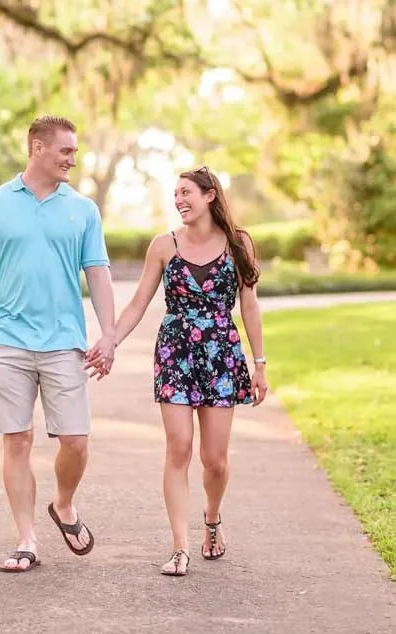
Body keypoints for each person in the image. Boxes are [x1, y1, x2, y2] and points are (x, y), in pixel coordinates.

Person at [0, 115, 117, 573]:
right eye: (65, 151)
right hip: (6, 341)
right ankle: (26, 539)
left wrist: (110, 332)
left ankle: (63, 504)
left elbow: (97, 274)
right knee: (16, 441)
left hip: (65, 343)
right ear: (37, 148)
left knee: (76, 442)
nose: (73, 159)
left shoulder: (82, 209)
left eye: (75, 152)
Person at [88, 165, 269, 577]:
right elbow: (137, 303)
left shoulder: (239, 243)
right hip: (176, 352)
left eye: (186, 192)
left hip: (223, 354)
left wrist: (259, 364)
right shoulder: (164, 245)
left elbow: (250, 306)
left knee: (215, 460)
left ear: (209, 196)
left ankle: (212, 519)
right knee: (179, 446)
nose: (178, 200)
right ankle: (179, 547)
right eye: (175, 194)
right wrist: (110, 339)